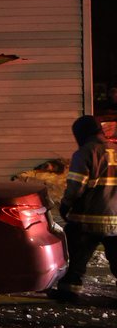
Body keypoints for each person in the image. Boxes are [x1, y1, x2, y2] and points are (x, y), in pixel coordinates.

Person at [50, 115, 117, 302]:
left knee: (76, 260)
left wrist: (65, 205)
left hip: (88, 220)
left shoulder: (86, 152)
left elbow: (75, 187)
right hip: (116, 221)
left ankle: (69, 292)